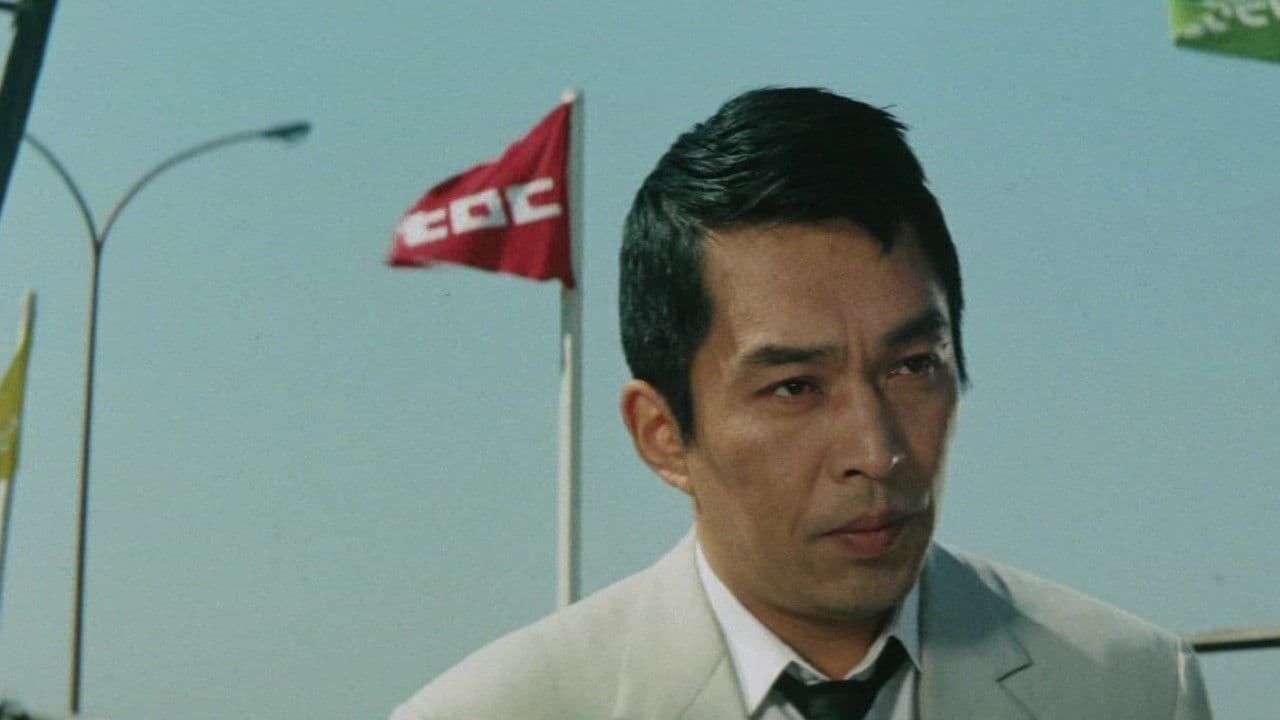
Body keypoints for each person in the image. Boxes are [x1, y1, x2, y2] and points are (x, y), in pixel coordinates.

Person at [391, 87, 1213, 720]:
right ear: (662, 434)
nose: (877, 450)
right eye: (795, 388)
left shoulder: (1133, 688)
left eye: (913, 367)